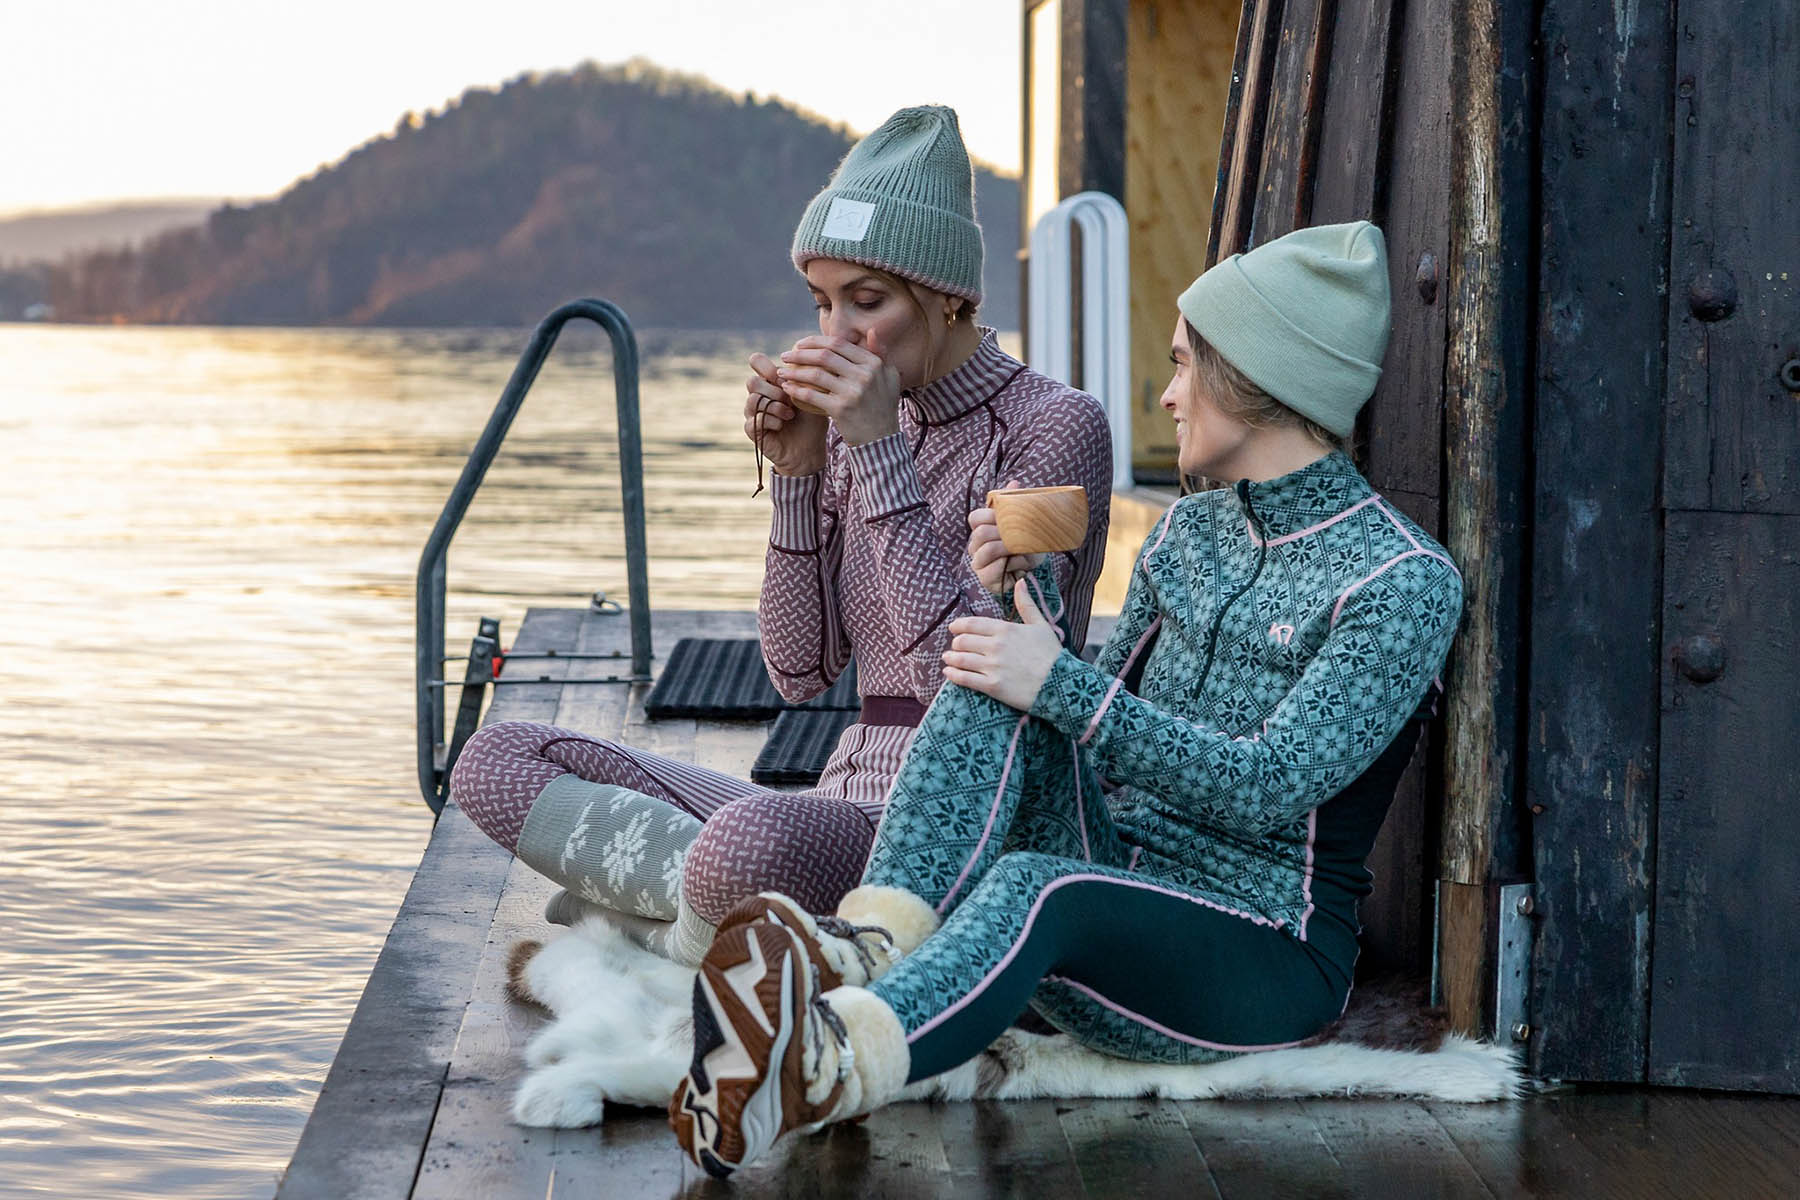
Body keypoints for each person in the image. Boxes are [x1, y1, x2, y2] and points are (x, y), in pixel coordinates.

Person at [667, 220, 1467, 1179]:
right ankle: (864, 950)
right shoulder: (1189, 537)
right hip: (1122, 866)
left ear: (1258, 381)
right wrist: (1023, 603)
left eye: (1181, 369)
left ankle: (831, 1066)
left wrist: (1058, 682)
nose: (1167, 396)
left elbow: (1269, 784)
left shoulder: (1399, 581)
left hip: (1260, 952)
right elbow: (1086, 718)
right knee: (986, 669)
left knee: (1036, 884)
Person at [449, 105, 1112, 963]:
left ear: (951, 297)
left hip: (971, 815)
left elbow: (955, 685)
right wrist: (797, 475)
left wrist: (876, 454)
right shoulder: (852, 426)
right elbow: (800, 674)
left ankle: (659, 926)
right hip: (839, 803)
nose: (835, 334)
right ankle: (714, 921)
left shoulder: (1056, 426)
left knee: (747, 844)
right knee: (498, 758)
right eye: (821, 303)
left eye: (866, 302)